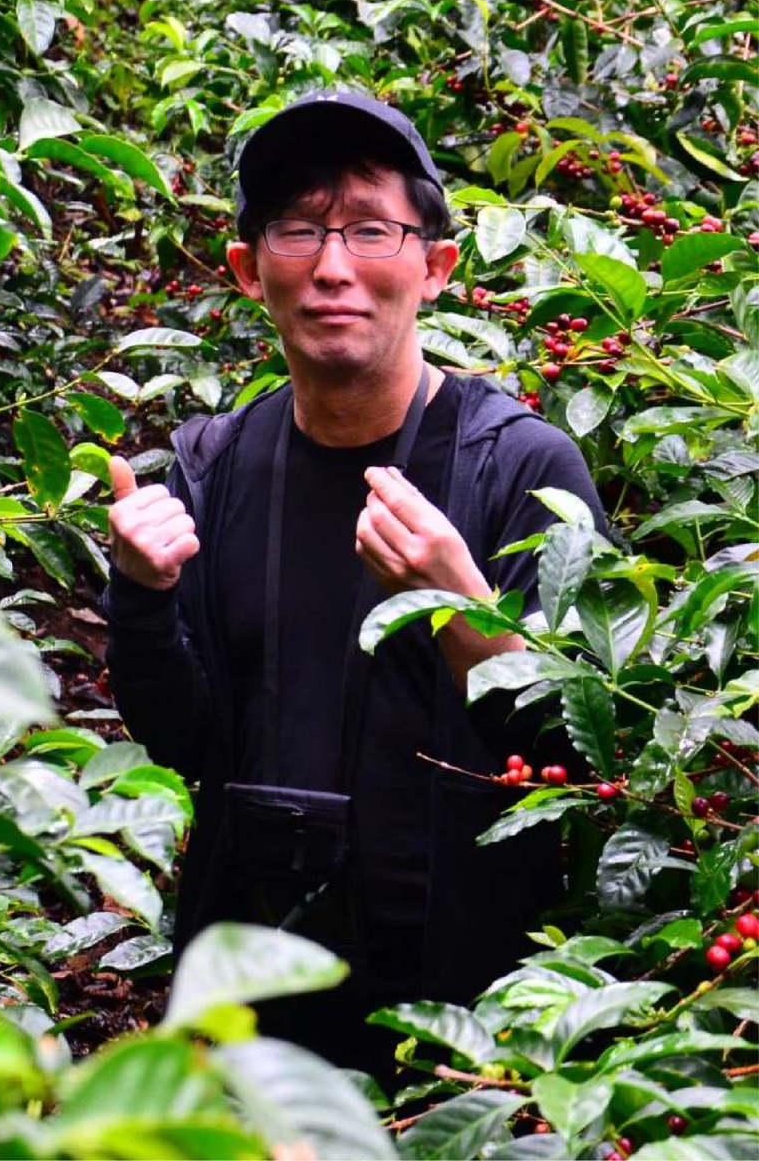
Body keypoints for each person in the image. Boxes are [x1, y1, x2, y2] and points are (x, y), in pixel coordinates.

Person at [103, 91, 604, 1085]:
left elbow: (575, 763)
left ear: (435, 267)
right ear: (248, 269)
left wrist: (460, 609)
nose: (332, 267)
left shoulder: (522, 467)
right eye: (298, 230)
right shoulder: (213, 465)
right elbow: (184, 739)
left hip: (466, 1024)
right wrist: (141, 595)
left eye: (371, 230)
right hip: (250, 999)